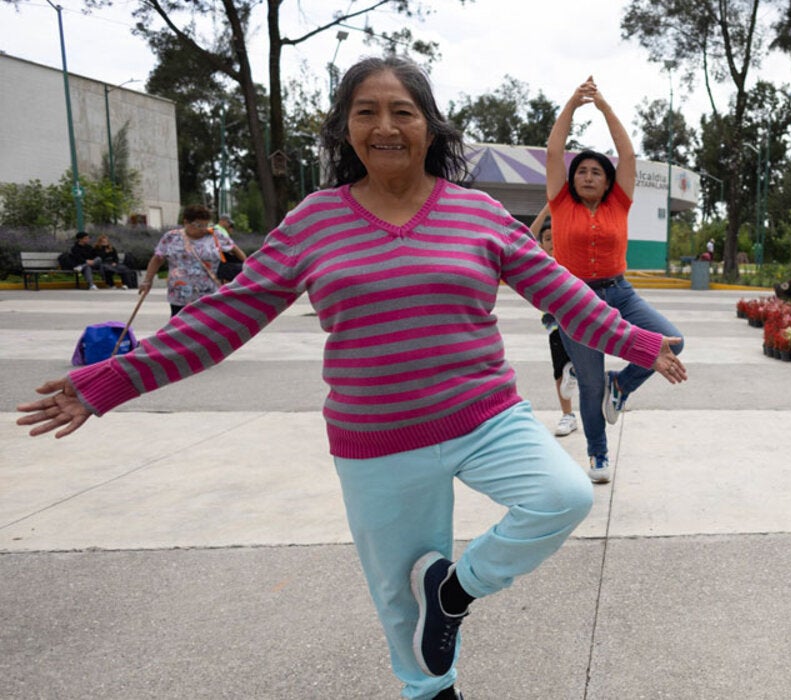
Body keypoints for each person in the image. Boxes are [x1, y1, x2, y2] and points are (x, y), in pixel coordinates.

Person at [15, 55, 686, 700]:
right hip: (377, 438)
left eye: (403, 111)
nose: (385, 126)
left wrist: (641, 343)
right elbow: (226, 316)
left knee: (563, 496)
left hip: (487, 418)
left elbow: (564, 294)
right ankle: (430, 692)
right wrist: (111, 381)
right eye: (367, 112)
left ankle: (454, 590)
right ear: (345, 129)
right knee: (397, 599)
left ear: (429, 127)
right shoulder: (315, 220)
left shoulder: (477, 213)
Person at [546, 76, 685, 484]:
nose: (588, 176)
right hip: (575, 300)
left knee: (673, 341)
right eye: (581, 171)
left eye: (596, 172)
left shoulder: (618, 203)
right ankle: (598, 454)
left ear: (608, 181)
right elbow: (554, 151)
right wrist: (573, 103)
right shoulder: (560, 202)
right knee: (590, 385)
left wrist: (604, 106)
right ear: (572, 179)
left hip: (619, 292)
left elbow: (626, 154)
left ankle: (621, 386)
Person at [530, 206, 580, 437]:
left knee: (584, 366)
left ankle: (577, 372)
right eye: (548, 239)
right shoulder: (540, 262)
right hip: (555, 324)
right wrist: (546, 209)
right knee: (560, 370)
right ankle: (568, 415)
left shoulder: (573, 258)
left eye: (556, 238)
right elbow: (526, 236)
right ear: (541, 244)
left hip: (580, 320)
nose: (552, 243)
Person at [138, 205, 238, 316]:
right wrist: (147, 281)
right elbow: (158, 258)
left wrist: (246, 269)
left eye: (206, 225)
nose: (203, 229)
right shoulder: (171, 237)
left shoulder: (215, 234)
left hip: (209, 295)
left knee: (208, 325)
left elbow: (235, 250)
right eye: (199, 225)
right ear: (186, 222)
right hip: (179, 296)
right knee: (179, 325)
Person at [214, 216, 249, 283]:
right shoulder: (219, 231)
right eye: (228, 223)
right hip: (221, 263)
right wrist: (247, 262)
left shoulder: (220, 230)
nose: (229, 225)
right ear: (222, 221)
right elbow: (233, 248)